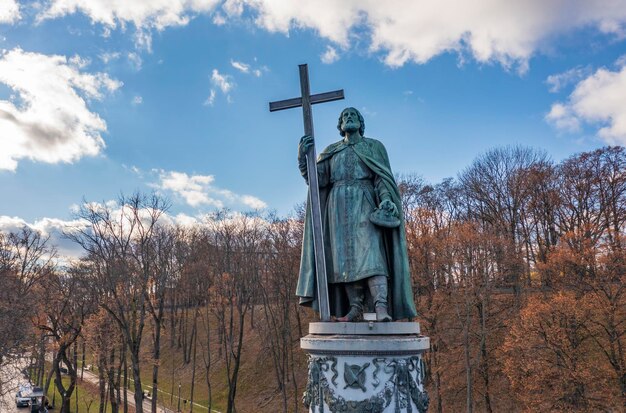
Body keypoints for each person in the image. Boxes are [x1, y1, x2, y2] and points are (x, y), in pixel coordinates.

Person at [296, 107, 417, 322]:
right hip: (337, 210)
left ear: (361, 123)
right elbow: (317, 181)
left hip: (365, 203)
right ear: (340, 125)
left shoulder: (373, 147)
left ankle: (381, 306)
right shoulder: (331, 151)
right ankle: (355, 308)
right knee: (345, 262)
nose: (349, 118)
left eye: (353, 115)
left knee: (372, 255)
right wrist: (303, 160)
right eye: (345, 116)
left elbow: (381, 178)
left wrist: (387, 199)